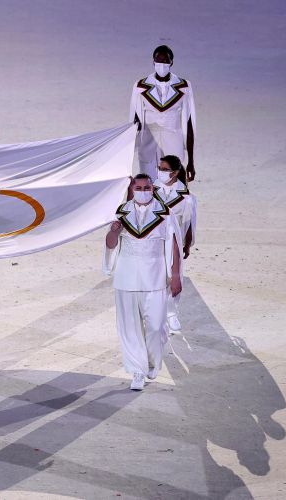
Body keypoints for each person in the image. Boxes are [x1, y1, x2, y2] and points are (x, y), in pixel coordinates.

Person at [104, 174, 182, 390]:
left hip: (154, 278)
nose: (143, 191)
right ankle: (137, 370)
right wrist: (114, 231)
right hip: (126, 278)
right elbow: (110, 245)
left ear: (152, 188)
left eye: (147, 187)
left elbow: (173, 244)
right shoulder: (121, 213)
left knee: (156, 327)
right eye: (138, 187)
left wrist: (175, 275)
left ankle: (151, 363)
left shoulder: (165, 213)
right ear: (132, 189)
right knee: (130, 329)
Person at [129, 45, 196, 182]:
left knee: (174, 185)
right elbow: (134, 122)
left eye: (165, 61)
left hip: (173, 140)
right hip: (148, 142)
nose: (162, 65)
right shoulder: (140, 86)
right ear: (153, 62)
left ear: (172, 62)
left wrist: (191, 161)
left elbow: (190, 123)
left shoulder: (184, 86)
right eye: (158, 61)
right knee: (149, 183)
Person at [154, 155, 197, 333]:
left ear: (175, 172)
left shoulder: (186, 197)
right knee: (156, 275)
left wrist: (187, 244)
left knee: (175, 274)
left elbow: (189, 223)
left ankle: (171, 313)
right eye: (160, 168)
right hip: (154, 239)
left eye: (165, 169)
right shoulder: (151, 188)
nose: (161, 172)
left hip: (175, 241)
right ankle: (156, 313)